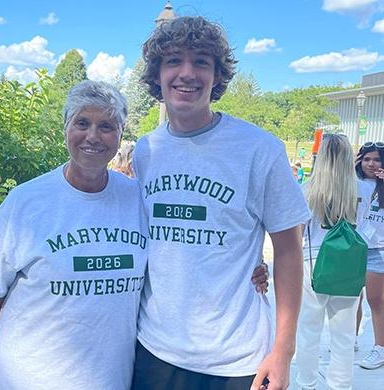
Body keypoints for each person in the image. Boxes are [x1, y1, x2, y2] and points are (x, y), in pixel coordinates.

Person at [131, 16, 309, 390]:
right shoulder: (146, 151)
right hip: (154, 350)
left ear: (217, 76)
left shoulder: (260, 150)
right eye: (174, 60)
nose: (187, 73)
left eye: (201, 61)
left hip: (236, 358)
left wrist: (283, 350)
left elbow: (290, 251)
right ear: (157, 74)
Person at [0, 80, 149, 390]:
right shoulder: (26, 201)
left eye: (107, 126)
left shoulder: (137, 199)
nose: (93, 136)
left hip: (110, 381)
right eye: (82, 123)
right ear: (65, 127)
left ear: (121, 133)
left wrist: (253, 270)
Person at [296, 134, 373, 390]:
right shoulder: (364, 189)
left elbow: (298, 233)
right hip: (349, 260)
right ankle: (341, 384)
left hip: (314, 260)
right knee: (344, 331)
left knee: (308, 329)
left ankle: (306, 383)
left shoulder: (308, 189)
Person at [354, 141, 384, 370]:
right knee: (352, 297)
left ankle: (379, 348)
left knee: (376, 299)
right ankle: (350, 339)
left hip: (378, 249)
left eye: (376, 159)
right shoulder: (353, 183)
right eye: (366, 159)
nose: (371, 164)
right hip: (354, 247)